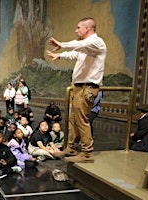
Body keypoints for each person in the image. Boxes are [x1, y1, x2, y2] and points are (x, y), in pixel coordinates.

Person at [46, 17, 107, 163]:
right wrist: (60, 55)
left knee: (81, 120)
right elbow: (75, 53)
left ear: (87, 28)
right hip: (79, 87)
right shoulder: (86, 47)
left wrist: (61, 44)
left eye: (78, 27)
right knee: (73, 120)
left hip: (87, 87)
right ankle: (71, 147)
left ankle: (87, 153)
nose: (76, 30)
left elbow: (78, 45)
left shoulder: (96, 42)